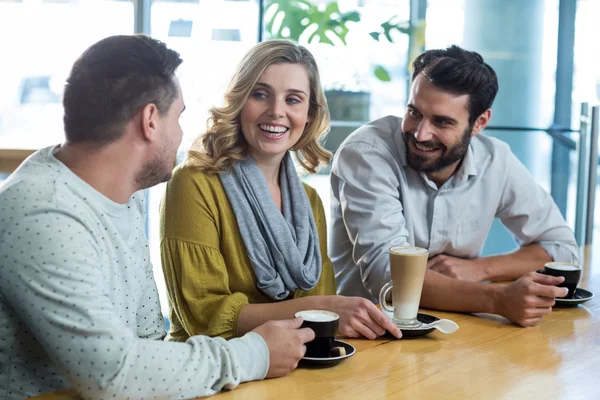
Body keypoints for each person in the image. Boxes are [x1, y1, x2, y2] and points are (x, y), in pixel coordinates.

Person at [0, 35, 316, 400]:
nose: (182, 134)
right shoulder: (43, 211)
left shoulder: (121, 198)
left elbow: (149, 338)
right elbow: (114, 374)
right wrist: (256, 353)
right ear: (150, 120)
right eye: (178, 116)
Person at [160, 40, 402, 344]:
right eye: (260, 95)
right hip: (210, 374)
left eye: (293, 100)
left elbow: (321, 322)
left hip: (290, 368)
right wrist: (317, 308)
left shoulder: (309, 202)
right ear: (239, 101)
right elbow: (206, 317)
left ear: (309, 115)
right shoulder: (193, 183)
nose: (276, 112)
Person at [330, 45, 578, 328]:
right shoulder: (367, 153)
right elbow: (389, 276)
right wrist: (497, 300)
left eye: (442, 121)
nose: (420, 133)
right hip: (372, 334)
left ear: (479, 123)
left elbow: (562, 248)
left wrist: (480, 268)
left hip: (464, 331)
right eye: (414, 112)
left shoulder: (496, 160)